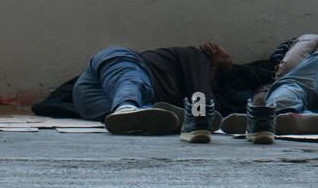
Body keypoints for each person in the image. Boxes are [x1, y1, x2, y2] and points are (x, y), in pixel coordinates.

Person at [220, 34, 318, 143]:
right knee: (293, 100)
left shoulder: (311, 42)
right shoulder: (260, 83)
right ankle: (275, 120)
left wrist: (280, 77)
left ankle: (265, 121)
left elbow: (289, 66)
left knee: (290, 85)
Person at [73, 42, 233, 138]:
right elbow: (201, 95)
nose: (214, 83)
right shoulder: (198, 57)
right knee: (132, 82)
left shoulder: (181, 94)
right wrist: (204, 119)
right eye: (215, 77)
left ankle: (132, 113)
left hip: (88, 102)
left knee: (145, 110)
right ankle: (126, 106)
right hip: (121, 62)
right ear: (211, 66)